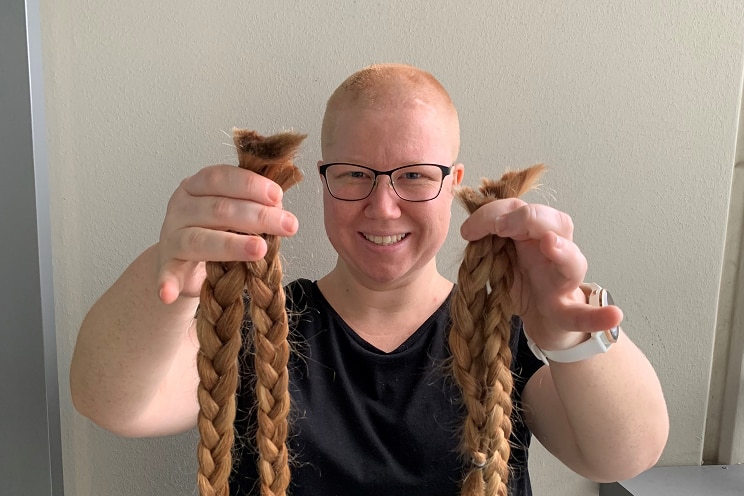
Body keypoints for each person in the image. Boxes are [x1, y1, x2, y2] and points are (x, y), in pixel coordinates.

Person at [70, 63, 669, 496]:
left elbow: (623, 454)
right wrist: (170, 268)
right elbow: (113, 404)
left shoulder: (503, 331)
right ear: (323, 179)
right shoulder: (259, 327)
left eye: (413, 175)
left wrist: (570, 327)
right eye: (355, 175)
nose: (383, 207)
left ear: (453, 179)